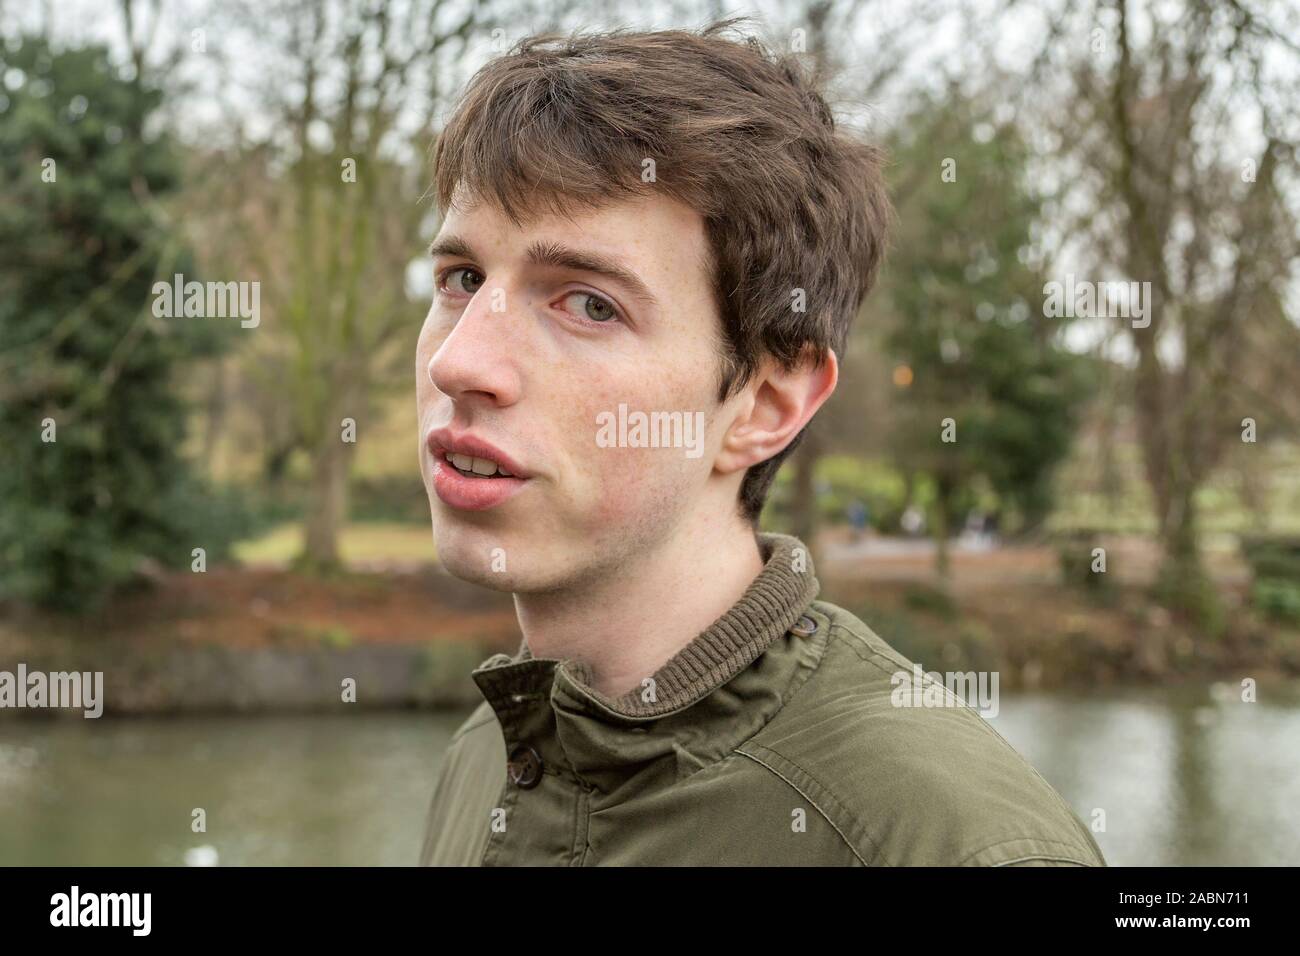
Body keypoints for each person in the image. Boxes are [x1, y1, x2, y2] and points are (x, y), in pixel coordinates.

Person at [415, 20, 1105, 867]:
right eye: (462, 280)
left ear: (766, 404)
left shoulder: (945, 843)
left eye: (589, 304)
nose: (460, 362)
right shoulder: (486, 756)